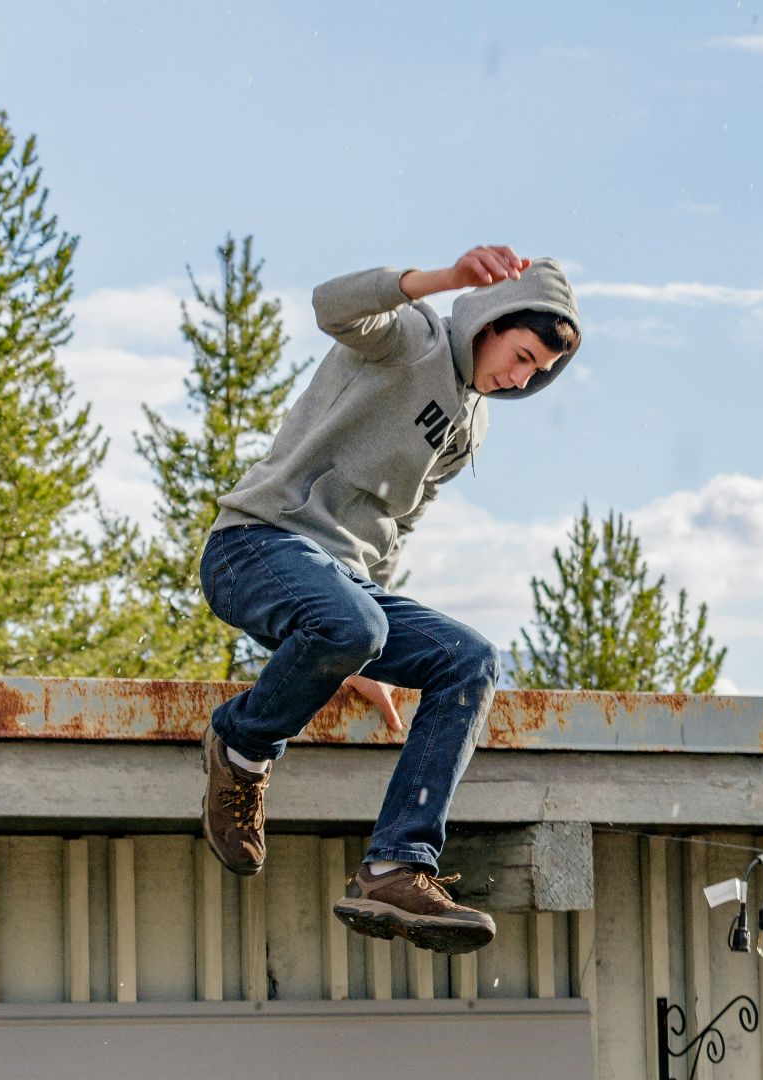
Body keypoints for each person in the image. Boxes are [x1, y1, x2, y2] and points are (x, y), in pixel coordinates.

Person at [195, 245, 581, 955]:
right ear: (493, 318)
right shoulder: (411, 336)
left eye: (538, 373)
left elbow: (398, 525)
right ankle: (242, 748)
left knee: (468, 660)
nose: (521, 378)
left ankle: (397, 863)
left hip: (345, 589)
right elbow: (329, 303)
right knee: (355, 622)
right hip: (254, 545)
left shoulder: (471, 426)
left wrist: (356, 648)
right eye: (522, 354)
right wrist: (442, 281)